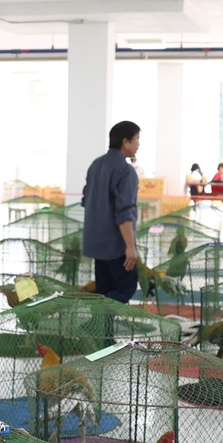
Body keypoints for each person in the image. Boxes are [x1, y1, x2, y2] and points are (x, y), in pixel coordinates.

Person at [81, 120, 142, 305]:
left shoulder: (96, 165)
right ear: (125, 141)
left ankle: (100, 324)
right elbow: (124, 212)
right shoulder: (125, 170)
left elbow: (86, 200)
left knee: (103, 291)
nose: (138, 144)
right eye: (136, 139)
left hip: (96, 242)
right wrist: (130, 247)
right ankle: (96, 318)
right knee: (125, 288)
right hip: (116, 245)